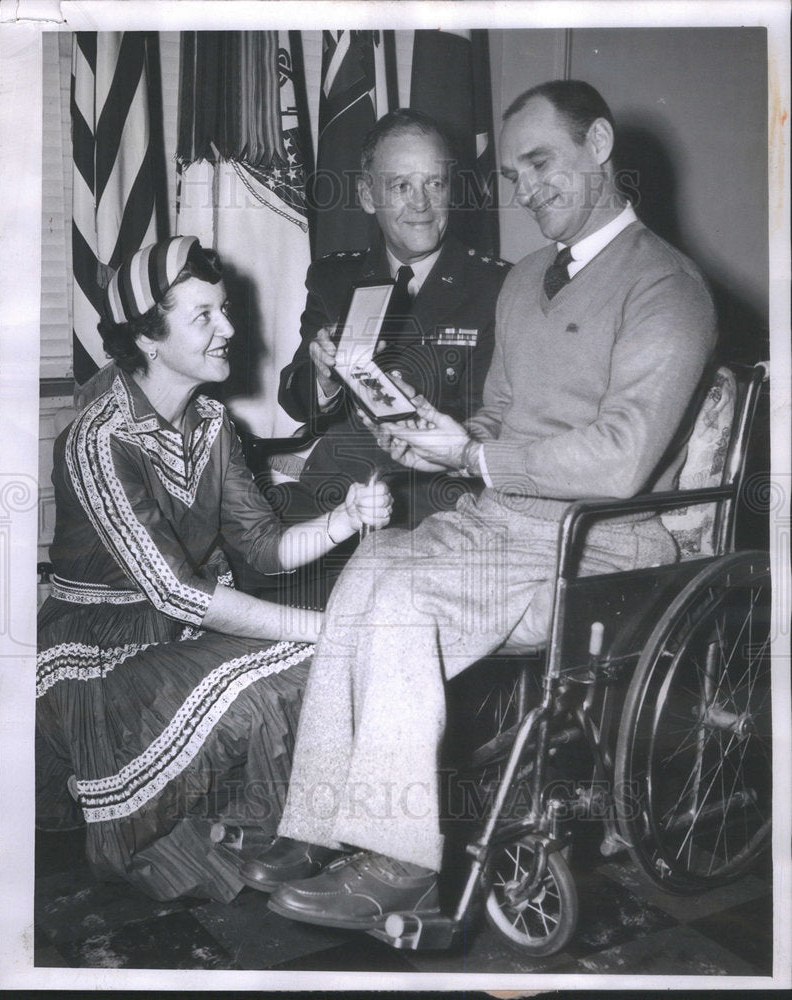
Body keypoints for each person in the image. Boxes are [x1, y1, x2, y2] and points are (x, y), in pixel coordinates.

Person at [238, 81, 718, 928]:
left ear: (600, 145)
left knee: (405, 600)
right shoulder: (527, 276)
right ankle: (317, 823)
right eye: (513, 172)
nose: (525, 190)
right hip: (502, 521)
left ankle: (403, 859)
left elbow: (621, 459)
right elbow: (496, 413)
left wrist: (473, 453)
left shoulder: (666, 287)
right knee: (375, 565)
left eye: (542, 164)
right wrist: (434, 432)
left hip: (593, 542)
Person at [35, 236, 391, 902]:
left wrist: (344, 518)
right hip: (100, 653)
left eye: (223, 310)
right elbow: (177, 593)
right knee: (297, 662)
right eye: (204, 316)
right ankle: (257, 837)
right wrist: (327, 624)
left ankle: (282, 839)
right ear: (148, 337)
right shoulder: (97, 438)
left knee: (312, 662)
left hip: (181, 633)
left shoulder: (211, 421)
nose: (229, 328)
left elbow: (261, 547)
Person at [241, 110, 509, 606]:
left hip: (432, 504)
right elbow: (299, 400)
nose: (422, 204)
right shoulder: (334, 279)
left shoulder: (496, 286)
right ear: (367, 196)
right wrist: (323, 376)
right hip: (334, 494)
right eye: (401, 186)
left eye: (435, 183)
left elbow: (495, 421)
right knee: (257, 579)